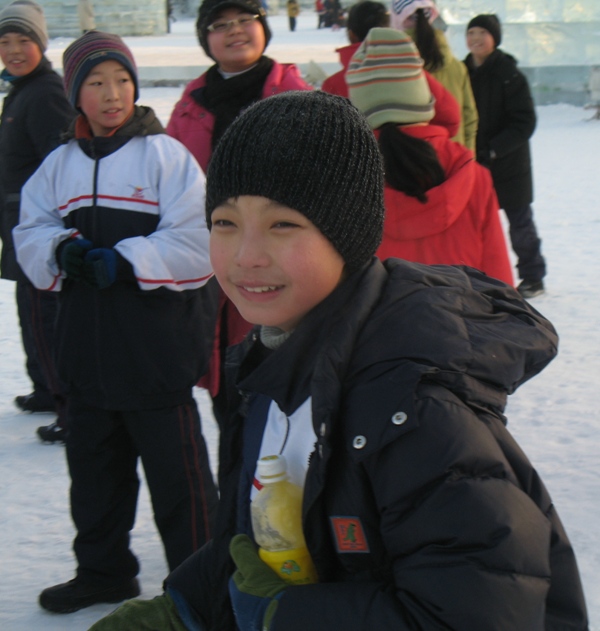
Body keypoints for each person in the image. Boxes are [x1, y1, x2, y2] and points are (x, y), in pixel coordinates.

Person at [87, 91, 588, 631]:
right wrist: (185, 605)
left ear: (346, 236)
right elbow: (254, 543)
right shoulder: (267, 372)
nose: (246, 254)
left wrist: (287, 617)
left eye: (283, 224)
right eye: (225, 222)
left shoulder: (413, 412)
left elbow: (481, 616)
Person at [13, 30, 219, 613]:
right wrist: (61, 251)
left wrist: (126, 260)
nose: (112, 94)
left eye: (123, 81)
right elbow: (30, 230)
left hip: (155, 353)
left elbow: (199, 241)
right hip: (84, 352)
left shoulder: (166, 157)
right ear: (76, 95)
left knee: (180, 482)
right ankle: (104, 571)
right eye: (97, 83)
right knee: (96, 477)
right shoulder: (58, 164)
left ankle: (199, 580)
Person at [166, 0, 311, 427]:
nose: (235, 31)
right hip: (211, 273)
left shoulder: (295, 95)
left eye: (246, 20)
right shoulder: (191, 102)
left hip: (281, 268)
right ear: (205, 38)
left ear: (264, 27)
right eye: (220, 24)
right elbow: (173, 184)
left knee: (284, 399)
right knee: (230, 397)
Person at [347, 28, 513, 284]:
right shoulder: (470, 174)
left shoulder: (345, 180)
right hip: (464, 321)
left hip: (378, 323)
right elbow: (499, 278)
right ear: (423, 96)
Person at [0, 0, 76, 442]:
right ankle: (47, 389)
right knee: (30, 313)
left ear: (40, 44)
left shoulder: (45, 92)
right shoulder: (23, 90)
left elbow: (58, 164)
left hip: (38, 226)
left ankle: (68, 404)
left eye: (23, 40)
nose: (13, 49)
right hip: (19, 222)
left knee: (45, 315)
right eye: (5, 41)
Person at [465, 14, 546, 299]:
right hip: (473, 163)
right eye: (471, 32)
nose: (475, 38)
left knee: (520, 221)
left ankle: (533, 276)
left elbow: (525, 121)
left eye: (482, 33)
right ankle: (476, 273)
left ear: (494, 38)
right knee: (472, 223)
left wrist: (495, 148)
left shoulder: (509, 74)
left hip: (510, 164)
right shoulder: (462, 71)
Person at [321, 1, 461, 140]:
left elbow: (329, 139)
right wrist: (422, 142)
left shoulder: (332, 86)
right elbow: (451, 118)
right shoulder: (410, 72)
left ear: (351, 35)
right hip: (418, 156)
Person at [391, 0, 478, 152]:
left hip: (410, 164)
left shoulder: (392, 66)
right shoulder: (457, 67)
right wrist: (467, 161)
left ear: (398, 20)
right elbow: (469, 119)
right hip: (453, 161)